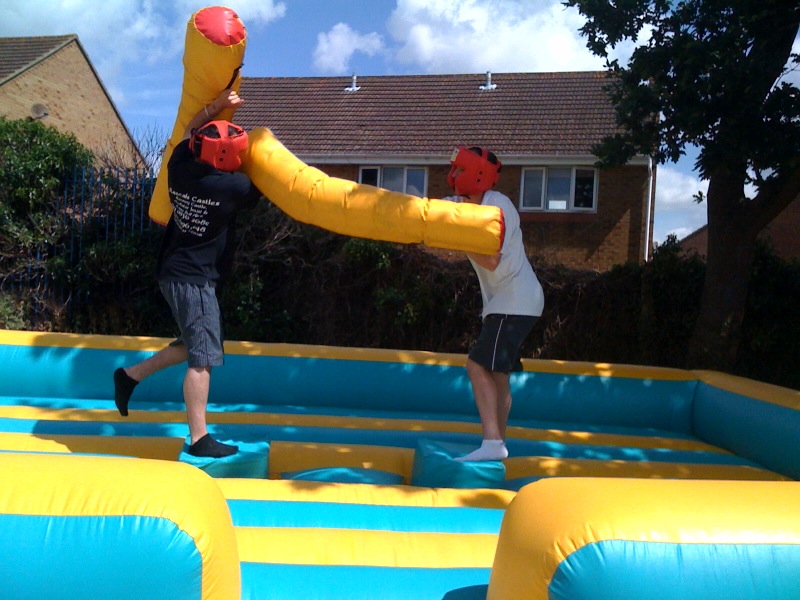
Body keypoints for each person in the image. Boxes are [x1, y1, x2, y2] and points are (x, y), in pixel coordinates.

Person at [113, 89, 262, 458]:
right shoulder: (236, 186)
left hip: (176, 272)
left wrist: (212, 108)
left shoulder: (180, 169)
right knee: (203, 358)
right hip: (193, 278)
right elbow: (260, 179)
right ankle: (199, 439)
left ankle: (130, 376)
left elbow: (186, 135)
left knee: (192, 344)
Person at [447, 146, 544, 462]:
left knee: (476, 366)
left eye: (461, 170)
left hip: (513, 300)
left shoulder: (497, 206)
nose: (455, 176)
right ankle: (497, 443)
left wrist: (454, 238)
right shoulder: (466, 205)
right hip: (510, 302)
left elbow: (490, 260)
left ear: (476, 175)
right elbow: (431, 211)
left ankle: (492, 443)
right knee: (499, 374)